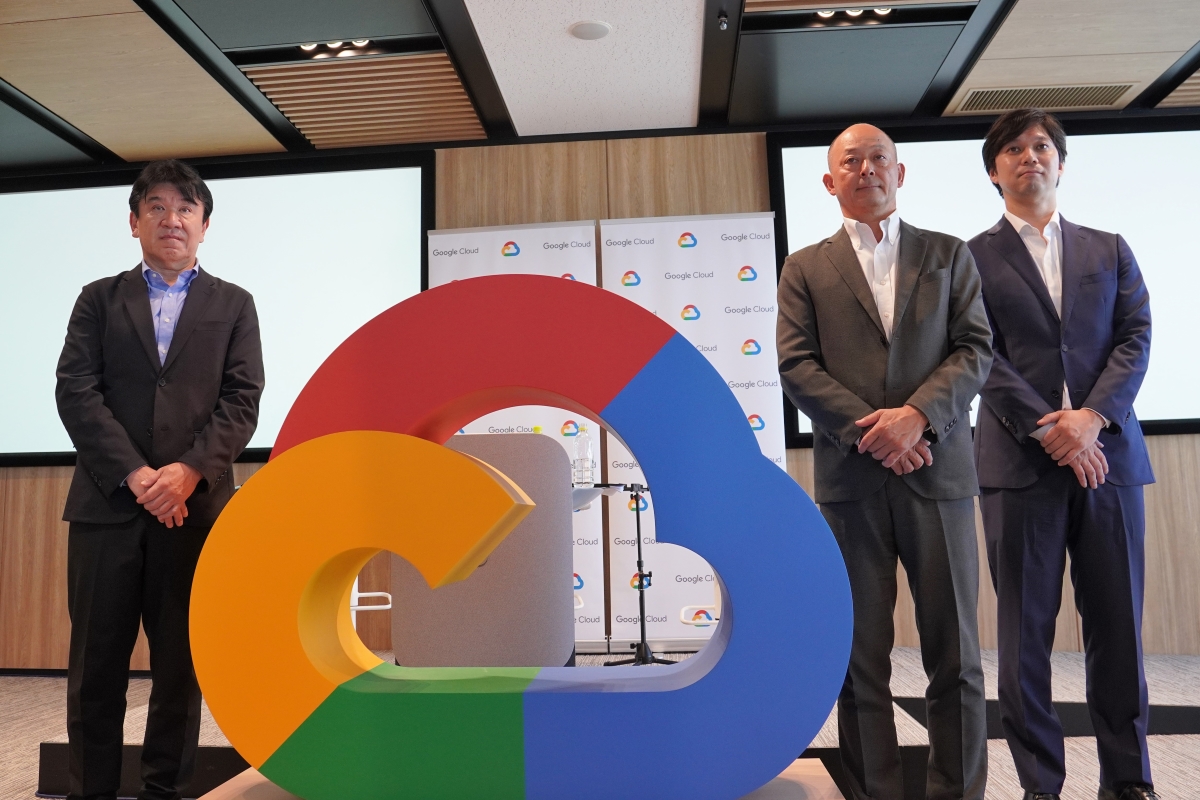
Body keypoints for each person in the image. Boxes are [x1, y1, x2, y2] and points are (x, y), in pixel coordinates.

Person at [777, 124, 992, 800]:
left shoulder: (949, 253)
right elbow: (796, 366)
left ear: (900, 173)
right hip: (852, 484)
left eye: (879, 158)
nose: (866, 168)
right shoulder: (804, 267)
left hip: (939, 475)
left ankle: (958, 791)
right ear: (829, 181)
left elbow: (975, 349)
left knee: (956, 655)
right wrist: (875, 433)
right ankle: (876, 791)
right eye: (852, 160)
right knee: (858, 656)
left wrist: (916, 417)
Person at [56, 159, 264, 800]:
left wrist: (189, 472)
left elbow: (242, 400)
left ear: (204, 225)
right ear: (134, 221)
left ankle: (164, 792)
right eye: (157, 208)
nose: (171, 220)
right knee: (96, 669)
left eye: (185, 209)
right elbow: (76, 391)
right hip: (106, 508)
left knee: (180, 669)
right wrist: (137, 474)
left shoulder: (234, 304)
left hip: (193, 513)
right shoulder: (98, 298)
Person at [967, 109, 1158, 800]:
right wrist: (1052, 428)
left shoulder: (1109, 248)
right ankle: (1040, 786)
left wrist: (1092, 419)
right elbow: (977, 353)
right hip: (1020, 468)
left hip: (1110, 462)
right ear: (995, 171)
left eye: (1042, 145)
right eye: (1013, 149)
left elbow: (1135, 336)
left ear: (1062, 162)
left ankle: (1129, 780)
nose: (1030, 156)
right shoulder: (969, 258)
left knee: (1118, 629)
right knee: (1025, 637)